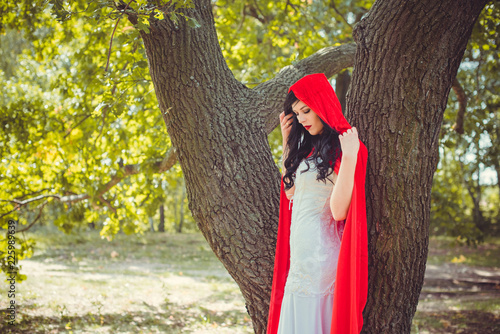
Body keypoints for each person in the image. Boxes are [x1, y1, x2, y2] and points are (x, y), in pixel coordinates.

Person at [267, 73, 368, 334]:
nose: (301, 118)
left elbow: (338, 211)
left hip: (321, 258)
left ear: (322, 105)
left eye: (306, 111)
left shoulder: (344, 147)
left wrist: (349, 157)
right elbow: (290, 193)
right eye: (296, 113)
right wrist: (287, 141)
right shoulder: (309, 149)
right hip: (300, 259)